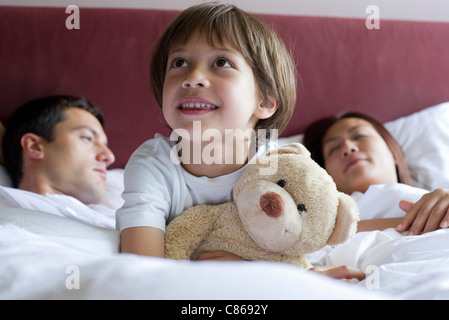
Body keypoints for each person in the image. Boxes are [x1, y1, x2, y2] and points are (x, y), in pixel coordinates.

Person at [116, 3, 364, 282]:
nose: (192, 77)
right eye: (179, 62)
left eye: (221, 62)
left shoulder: (277, 163)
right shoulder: (153, 164)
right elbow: (143, 274)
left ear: (265, 101)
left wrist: (267, 272)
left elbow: (324, 225)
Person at [303, 111, 449, 235]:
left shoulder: (440, 197)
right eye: (333, 149)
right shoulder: (314, 232)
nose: (348, 148)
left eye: (360, 136)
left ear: (393, 152)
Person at [0, 95, 117, 229]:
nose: (109, 156)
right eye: (87, 138)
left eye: (105, 145)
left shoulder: (122, 220)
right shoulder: (7, 208)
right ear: (35, 147)